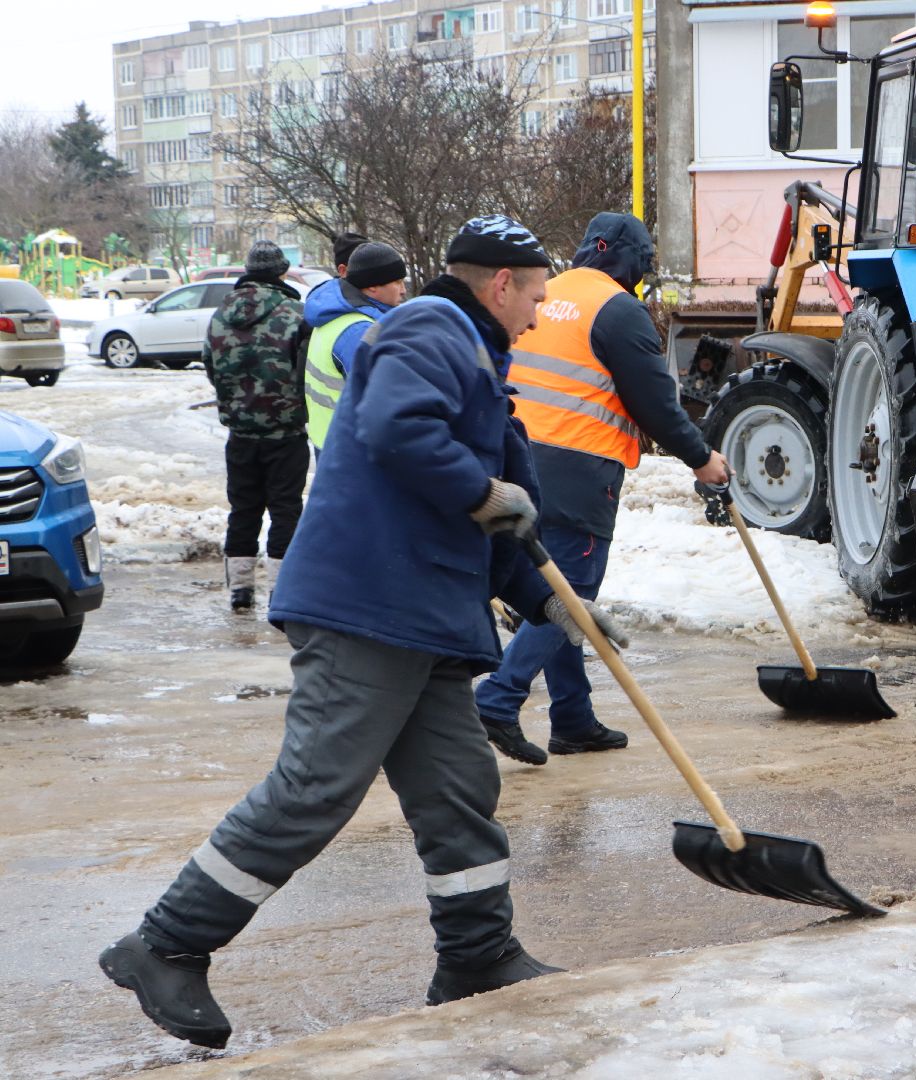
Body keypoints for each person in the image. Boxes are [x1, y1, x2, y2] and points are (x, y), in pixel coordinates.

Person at [98, 215, 631, 1048]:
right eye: (533, 296)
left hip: (427, 615)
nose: (536, 314)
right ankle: (165, 943)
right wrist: (482, 492)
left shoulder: (482, 361)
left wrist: (548, 602)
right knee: (316, 787)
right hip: (369, 605)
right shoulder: (429, 328)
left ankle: (476, 956)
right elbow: (399, 433)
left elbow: (495, 526)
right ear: (501, 286)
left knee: (458, 791)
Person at [476, 212, 729, 766]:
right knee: (573, 591)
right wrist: (701, 458)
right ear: (632, 263)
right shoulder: (619, 310)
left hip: (517, 457)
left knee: (555, 588)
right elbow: (656, 403)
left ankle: (571, 717)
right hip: (577, 468)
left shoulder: (545, 291)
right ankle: (498, 697)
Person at [205, 240, 308, 611]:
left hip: (240, 433)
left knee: (243, 509)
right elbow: (306, 368)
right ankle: (282, 591)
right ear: (281, 272)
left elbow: (210, 366)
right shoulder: (295, 313)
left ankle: (241, 591)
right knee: (285, 510)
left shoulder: (220, 313)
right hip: (287, 431)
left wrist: (237, 402)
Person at [302, 241, 409, 455]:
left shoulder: (334, 315)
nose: (404, 290)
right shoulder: (359, 331)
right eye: (397, 282)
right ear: (372, 286)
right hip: (351, 452)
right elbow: (381, 408)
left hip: (330, 443)